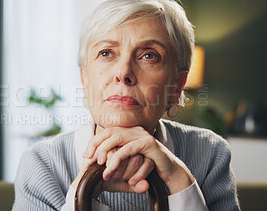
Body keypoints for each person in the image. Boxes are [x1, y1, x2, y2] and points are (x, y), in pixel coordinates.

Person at [12, 0, 240, 210]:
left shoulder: (210, 155)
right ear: (84, 78)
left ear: (177, 86)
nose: (123, 73)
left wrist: (180, 182)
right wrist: (83, 189)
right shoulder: (41, 164)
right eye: (106, 53)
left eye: (149, 56)